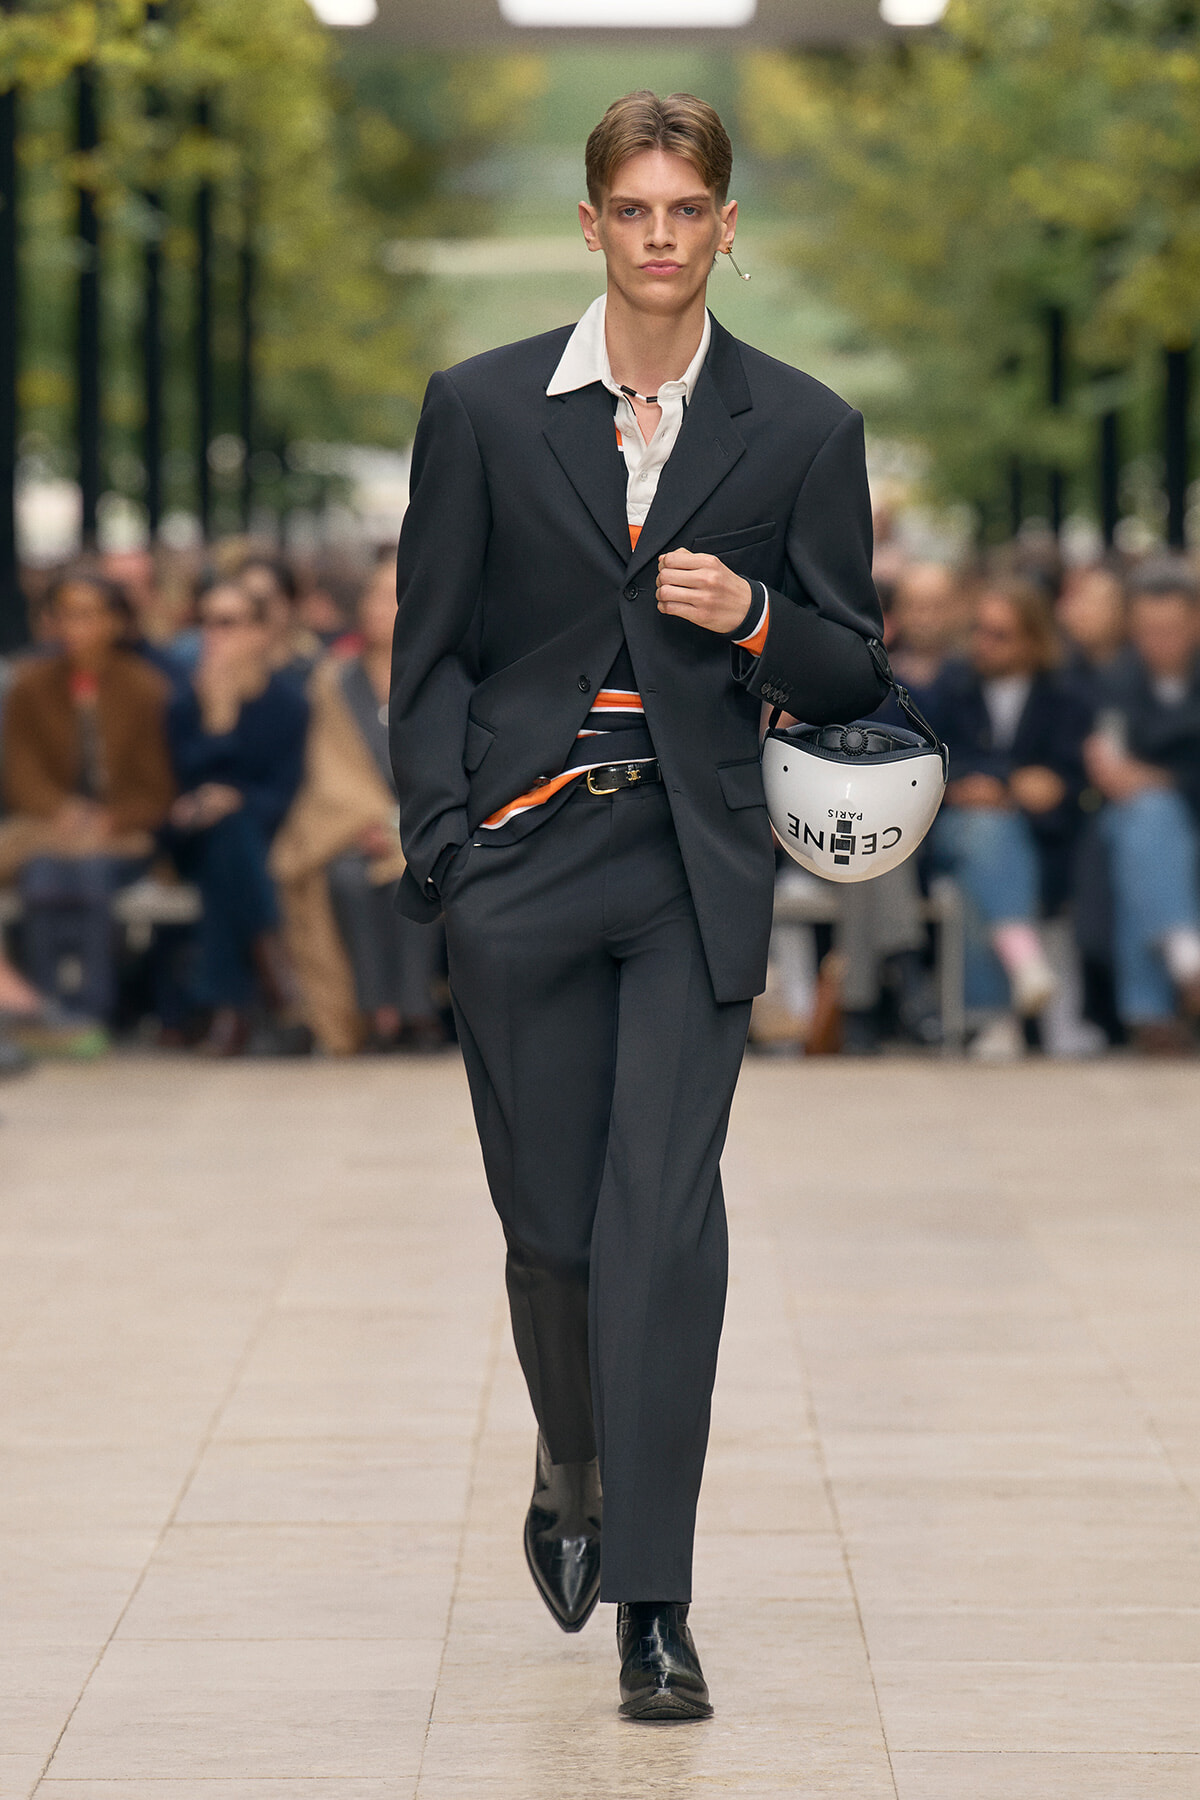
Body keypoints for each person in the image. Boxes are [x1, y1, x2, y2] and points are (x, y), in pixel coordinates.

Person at [390, 90, 887, 1719]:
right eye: (636, 211)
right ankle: (576, 1460)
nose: (663, 238)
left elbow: (850, 663)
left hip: (690, 868)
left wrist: (752, 611)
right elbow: (434, 654)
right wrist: (449, 852)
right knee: (552, 1233)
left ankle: (656, 1606)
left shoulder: (802, 428)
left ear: (725, 228)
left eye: (691, 211)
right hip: (520, 867)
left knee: (661, 1230)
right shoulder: (478, 408)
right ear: (593, 226)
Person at [271, 554, 445, 1053]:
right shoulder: (334, 678)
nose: (379, 609)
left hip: (428, 821)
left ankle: (418, 1010)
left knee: (416, 873)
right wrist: (370, 822)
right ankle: (375, 1013)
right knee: (346, 879)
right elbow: (330, 768)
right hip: (353, 829)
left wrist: (408, 822)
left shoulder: (441, 673)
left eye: (393, 597)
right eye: (373, 596)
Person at [926, 575, 1092, 1059]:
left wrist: (1004, 786)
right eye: (979, 630)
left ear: (1033, 639)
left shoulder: (1063, 695)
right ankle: (1023, 964)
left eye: (1000, 635)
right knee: (985, 834)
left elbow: (1068, 779)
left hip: (1040, 840)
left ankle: (994, 1021)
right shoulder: (952, 685)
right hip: (955, 827)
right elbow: (929, 755)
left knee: (984, 871)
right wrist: (1004, 785)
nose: (984, 644)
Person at [0, 571, 174, 1024]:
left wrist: (111, 820)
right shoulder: (30, 686)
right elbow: (22, 773)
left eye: (89, 615)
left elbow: (156, 785)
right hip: (47, 830)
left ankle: (94, 1007)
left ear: (115, 622)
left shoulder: (146, 688)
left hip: (121, 835)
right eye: (67, 615)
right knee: (42, 878)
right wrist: (61, 811)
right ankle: (48, 1010)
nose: (77, 628)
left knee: (89, 877)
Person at [165, 580, 308, 1056]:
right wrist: (218, 720)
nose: (214, 634)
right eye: (205, 622)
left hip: (262, 834)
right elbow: (178, 785)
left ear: (261, 632)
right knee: (225, 834)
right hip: (189, 840)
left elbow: (284, 792)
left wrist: (232, 798)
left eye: (228, 623)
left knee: (230, 838)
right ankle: (272, 961)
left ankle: (229, 1008)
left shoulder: (287, 703)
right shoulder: (184, 702)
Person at [1084, 560, 1200, 1052]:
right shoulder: (1116, 678)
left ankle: (1149, 1013)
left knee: (1144, 842)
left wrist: (1160, 780)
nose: (1159, 642)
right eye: (1148, 631)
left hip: (1185, 808)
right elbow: (1108, 759)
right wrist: (1117, 773)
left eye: (1170, 630)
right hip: (1128, 812)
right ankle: (1185, 957)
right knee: (1148, 822)